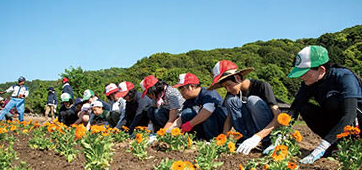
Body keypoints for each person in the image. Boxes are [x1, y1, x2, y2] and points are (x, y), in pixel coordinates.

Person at [287, 45, 362, 164]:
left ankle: (351, 144)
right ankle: (335, 146)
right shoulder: (310, 82)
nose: (301, 77)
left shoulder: (344, 77)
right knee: (305, 108)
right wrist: (281, 133)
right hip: (335, 123)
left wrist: (322, 146)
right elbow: (294, 109)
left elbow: (350, 114)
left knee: (333, 103)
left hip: (355, 122)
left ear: (321, 69)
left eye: (304, 72)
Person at [208, 60, 281, 155]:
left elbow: (277, 116)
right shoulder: (231, 94)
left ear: (238, 78)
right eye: (224, 87)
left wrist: (258, 137)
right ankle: (246, 138)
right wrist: (223, 139)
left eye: (228, 85)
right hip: (251, 129)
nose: (228, 90)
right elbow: (229, 118)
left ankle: (267, 141)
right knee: (230, 101)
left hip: (268, 128)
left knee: (252, 100)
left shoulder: (262, 86)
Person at [171, 73, 227, 140]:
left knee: (205, 113)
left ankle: (212, 139)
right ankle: (196, 138)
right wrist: (169, 131)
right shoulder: (190, 99)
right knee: (186, 113)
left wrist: (189, 125)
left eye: (182, 89)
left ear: (192, 86)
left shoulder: (208, 93)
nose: (181, 93)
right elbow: (180, 119)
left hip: (219, 124)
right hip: (206, 125)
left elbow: (208, 110)